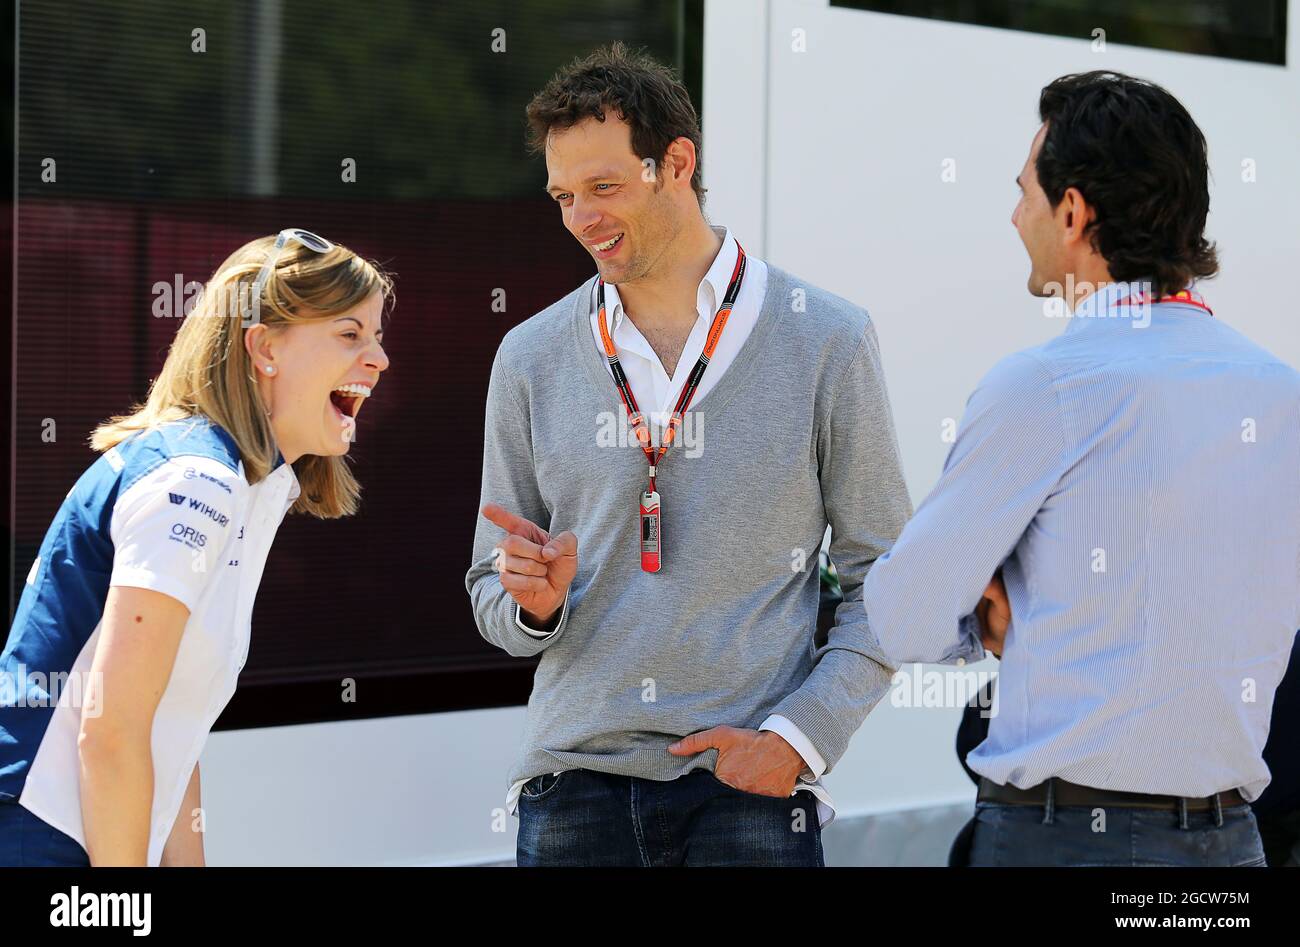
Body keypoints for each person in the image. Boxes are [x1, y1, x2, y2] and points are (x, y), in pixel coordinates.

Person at [465, 43, 911, 866]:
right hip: (572, 788)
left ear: (678, 163)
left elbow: (885, 576)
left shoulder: (826, 338)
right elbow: (491, 592)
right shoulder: (528, 358)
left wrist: (799, 741)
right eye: (564, 196)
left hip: (747, 789)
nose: (581, 219)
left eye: (604, 188)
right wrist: (531, 604)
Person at [861, 71, 1299, 867]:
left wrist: (998, 625)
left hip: (1063, 841)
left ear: (1073, 212)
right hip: (1233, 845)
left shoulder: (1045, 386)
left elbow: (902, 616)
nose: (1014, 212)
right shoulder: (1282, 395)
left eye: (1025, 189)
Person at [0, 229, 392, 866]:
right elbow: (113, 731)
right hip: (36, 837)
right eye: (350, 334)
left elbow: (168, 730)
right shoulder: (197, 479)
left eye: (377, 337)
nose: (378, 359)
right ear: (264, 347)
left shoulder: (245, 482)